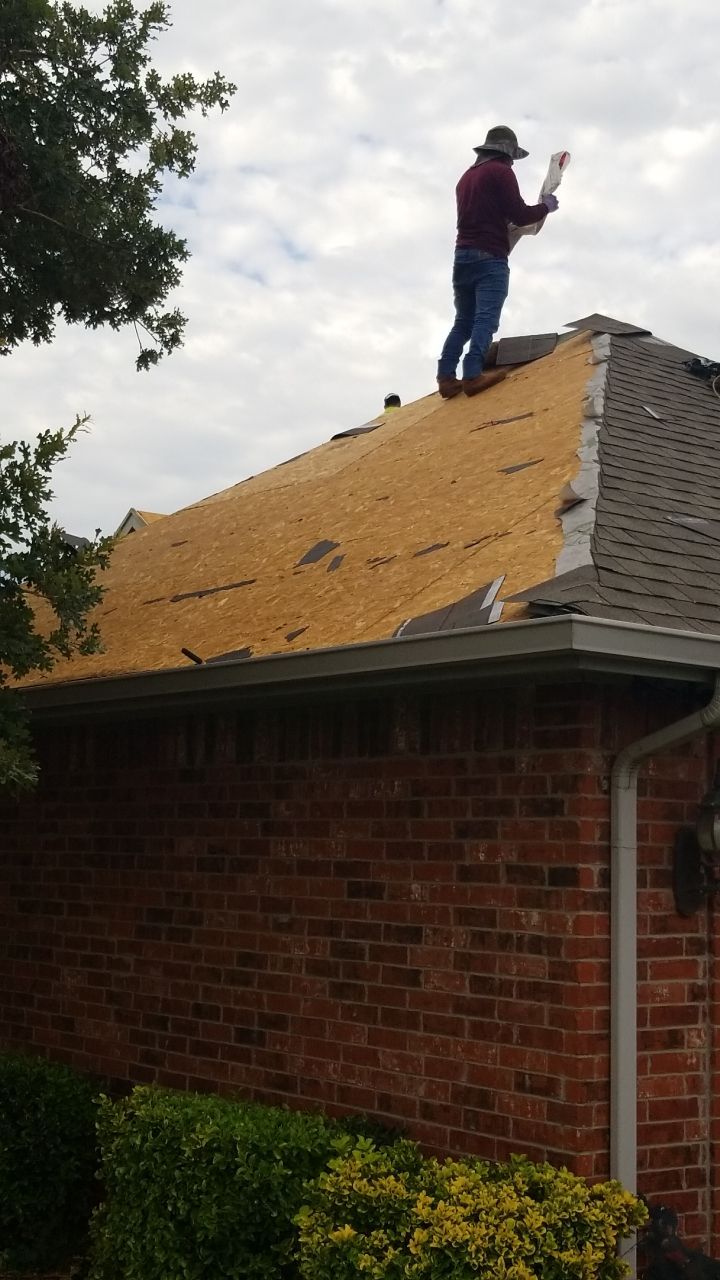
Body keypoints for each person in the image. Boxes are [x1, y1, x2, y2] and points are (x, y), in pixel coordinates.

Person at [437, 125, 559, 399]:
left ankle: (446, 377)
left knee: (463, 321)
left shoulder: (466, 178)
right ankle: (472, 374)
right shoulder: (501, 172)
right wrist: (545, 207)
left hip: (462, 256)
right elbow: (518, 214)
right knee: (485, 319)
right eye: (512, 157)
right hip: (490, 256)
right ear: (506, 152)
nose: (513, 162)